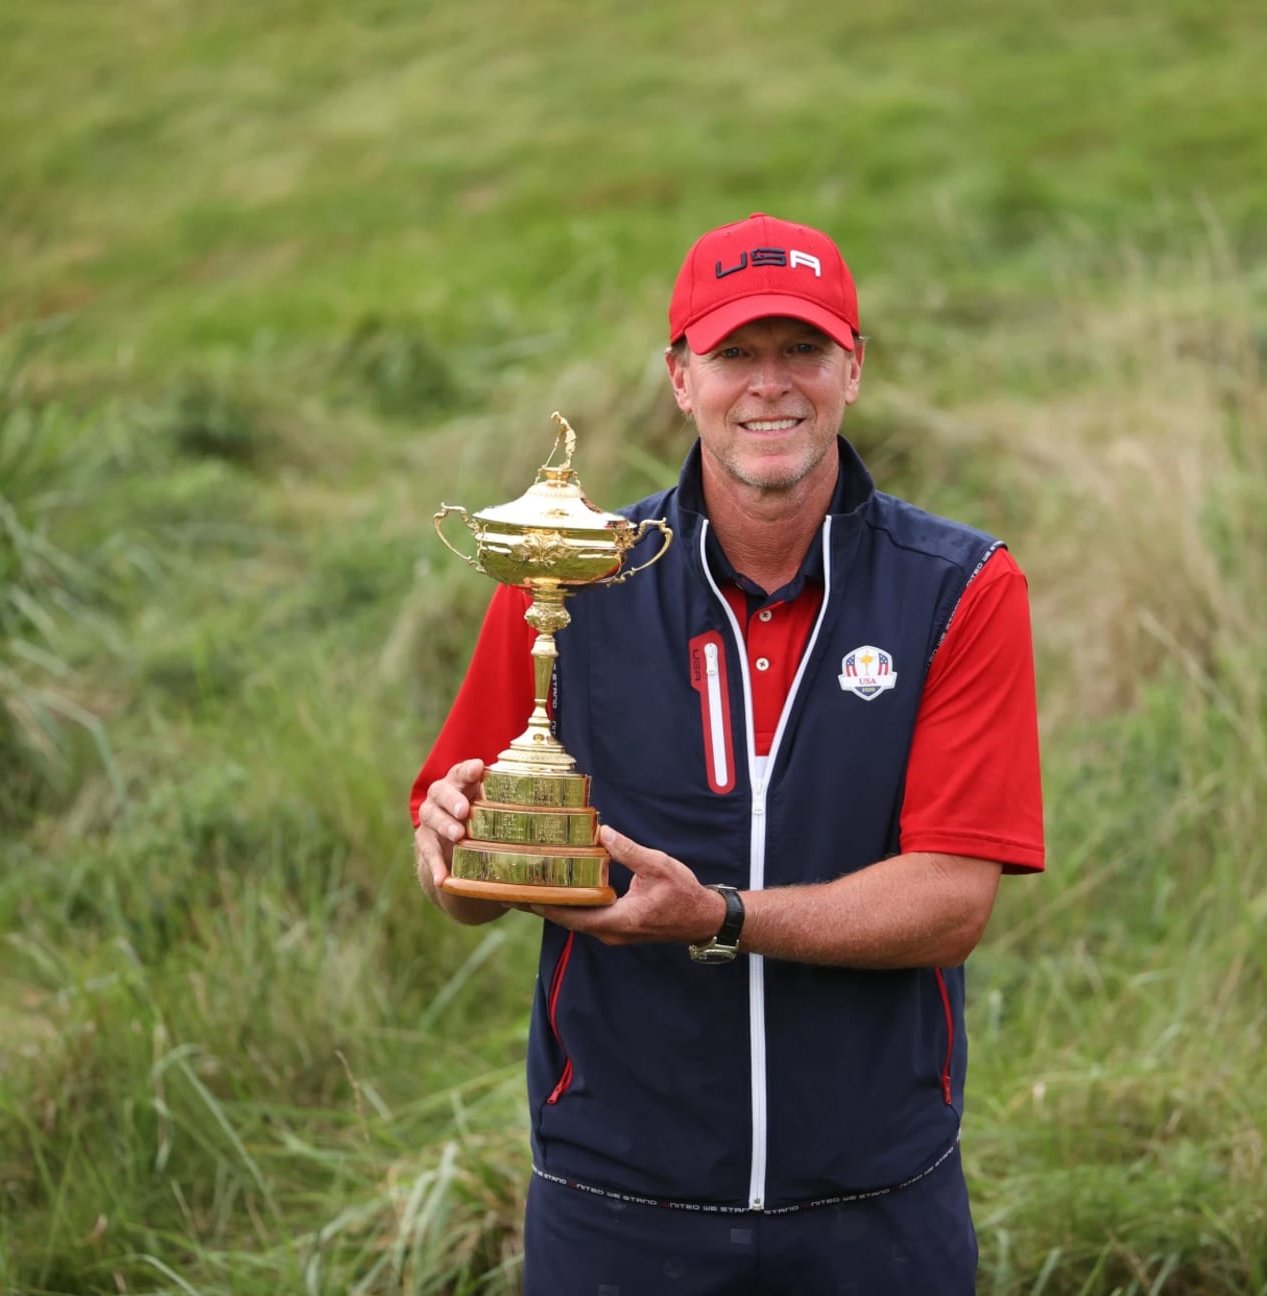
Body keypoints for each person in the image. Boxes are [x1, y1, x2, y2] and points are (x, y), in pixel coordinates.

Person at [411, 212, 1045, 1294]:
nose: (770, 385)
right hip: (615, 1195)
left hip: (876, 1195)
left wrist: (721, 916)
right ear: (678, 376)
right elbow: (470, 890)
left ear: (853, 367)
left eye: (801, 349)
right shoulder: (568, 581)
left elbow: (953, 900)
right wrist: (454, 848)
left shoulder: (960, 590)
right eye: (733, 354)